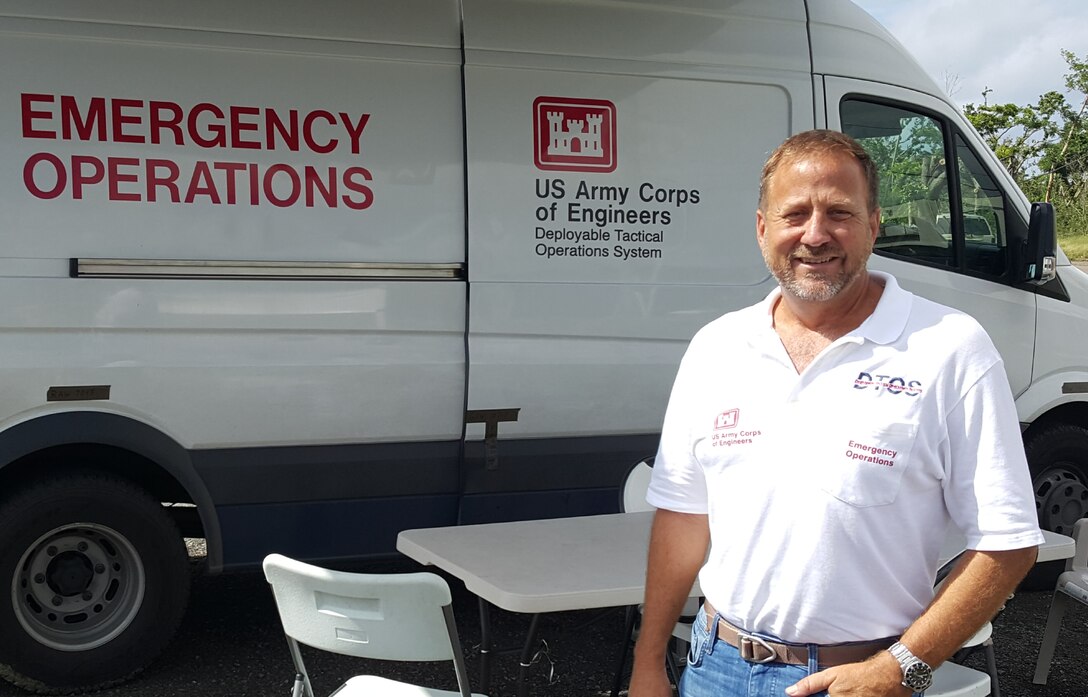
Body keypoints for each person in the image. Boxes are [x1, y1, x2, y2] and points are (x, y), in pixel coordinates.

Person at [628, 130, 1043, 697]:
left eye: (839, 213)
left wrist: (900, 669)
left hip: (858, 679)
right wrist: (649, 662)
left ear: (874, 226)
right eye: (794, 213)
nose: (815, 234)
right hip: (713, 665)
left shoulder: (949, 347)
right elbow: (682, 518)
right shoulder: (716, 347)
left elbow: (1008, 541)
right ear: (761, 229)